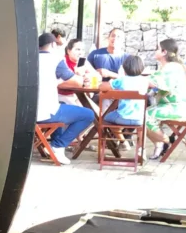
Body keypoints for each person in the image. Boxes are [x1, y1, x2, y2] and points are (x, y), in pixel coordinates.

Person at [36, 32, 95, 165]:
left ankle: (53, 147)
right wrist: (81, 77)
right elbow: (75, 82)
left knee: (61, 103)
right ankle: (58, 146)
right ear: (52, 44)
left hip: (26, 113)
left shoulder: (28, 60)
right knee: (88, 114)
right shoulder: (55, 60)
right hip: (45, 113)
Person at [145, 39, 186, 160]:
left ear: (164, 52)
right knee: (143, 114)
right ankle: (159, 144)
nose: (155, 51)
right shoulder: (169, 67)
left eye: (157, 48)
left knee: (145, 115)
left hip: (178, 108)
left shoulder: (172, 68)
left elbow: (155, 82)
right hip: (171, 106)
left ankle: (166, 141)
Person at [100, 53, 148, 126]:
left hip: (122, 117)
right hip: (140, 119)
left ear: (124, 68)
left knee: (105, 117)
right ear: (142, 68)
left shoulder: (121, 80)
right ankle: (121, 137)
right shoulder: (145, 81)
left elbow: (102, 87)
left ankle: (119, 136)